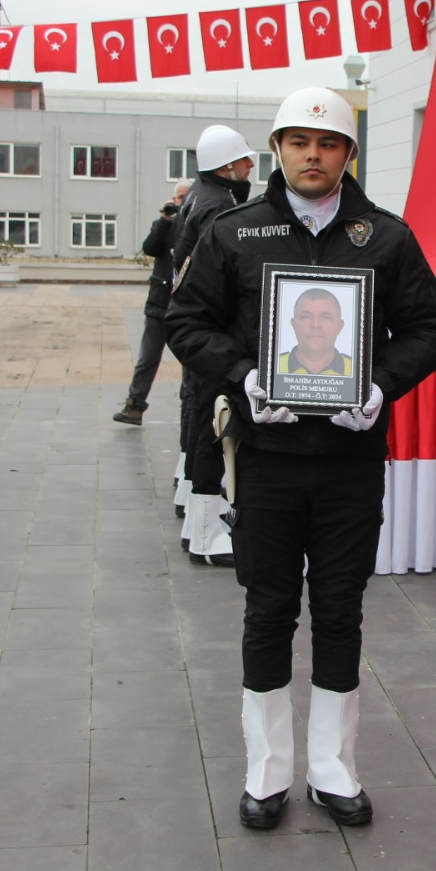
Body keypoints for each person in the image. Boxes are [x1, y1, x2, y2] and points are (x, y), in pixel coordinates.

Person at [166, 88, 436, 830]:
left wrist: (382, 386)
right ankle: (267, 771)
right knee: (267, 607)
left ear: (347, 154)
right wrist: (247, 376)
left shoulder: (385, 238)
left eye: (326, 144)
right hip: (267, 455)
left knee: (340, 607)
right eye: (298, 142)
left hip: (352, 458)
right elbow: (186, 321)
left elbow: (428, 330)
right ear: (278, 150)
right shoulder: (235, 232)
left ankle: (333, 769)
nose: (312, 155)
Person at [170, 127, 255, 568]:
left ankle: (196, 511)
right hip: (213, 331)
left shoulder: (201, 197)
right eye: (244, 161)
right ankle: (205, 534)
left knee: (201, 415)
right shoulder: (218, 206)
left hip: (199, 327)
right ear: (225, 166)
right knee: (212, 424)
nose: (250, 167)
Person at [114, 179, 191, 426]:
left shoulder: (195, 223)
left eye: (184, 197)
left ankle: (188, 407)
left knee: (190, 360)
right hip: (159, 302)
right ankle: (134, 405)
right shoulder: (166, 224)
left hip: (186, 305)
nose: (180, 203)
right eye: (177, 198)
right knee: (148, 357)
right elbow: (150, 248)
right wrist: (163, 220)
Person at [277, 288, 352, 375]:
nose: (315, 324)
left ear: (339, 326)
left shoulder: (358, 371)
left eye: (325, 317)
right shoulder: (272, 366)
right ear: (294, 325)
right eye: (306, 317)